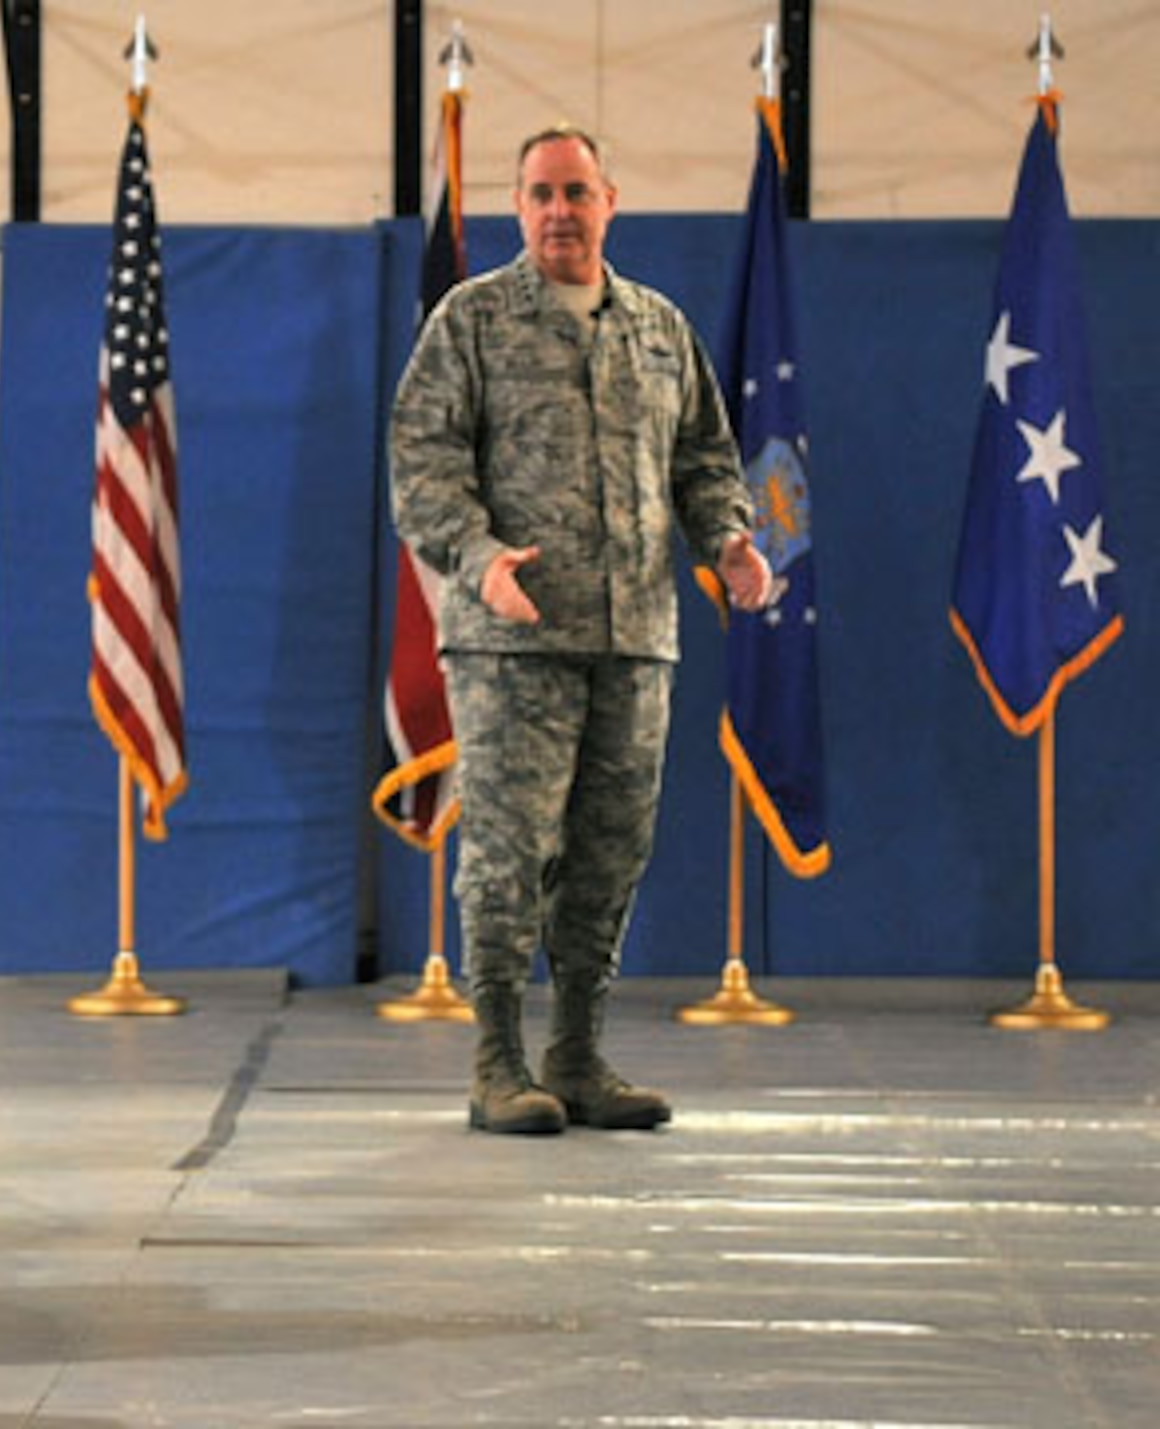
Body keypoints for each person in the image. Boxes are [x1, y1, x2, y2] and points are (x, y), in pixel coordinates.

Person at [390, 124, 772, 1136]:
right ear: (516, 209)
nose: (558, 210)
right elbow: (420, 467)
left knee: (609, 852)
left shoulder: (657, 327)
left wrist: (727, 542)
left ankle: (575, 1053)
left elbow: (703, 459)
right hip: (509, 641)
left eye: (575, 191)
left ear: (610, 200)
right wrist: (480, 561)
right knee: (509, 855)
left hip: (635, 636)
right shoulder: (469, 321)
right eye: (539, 194)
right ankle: (495, 1062)